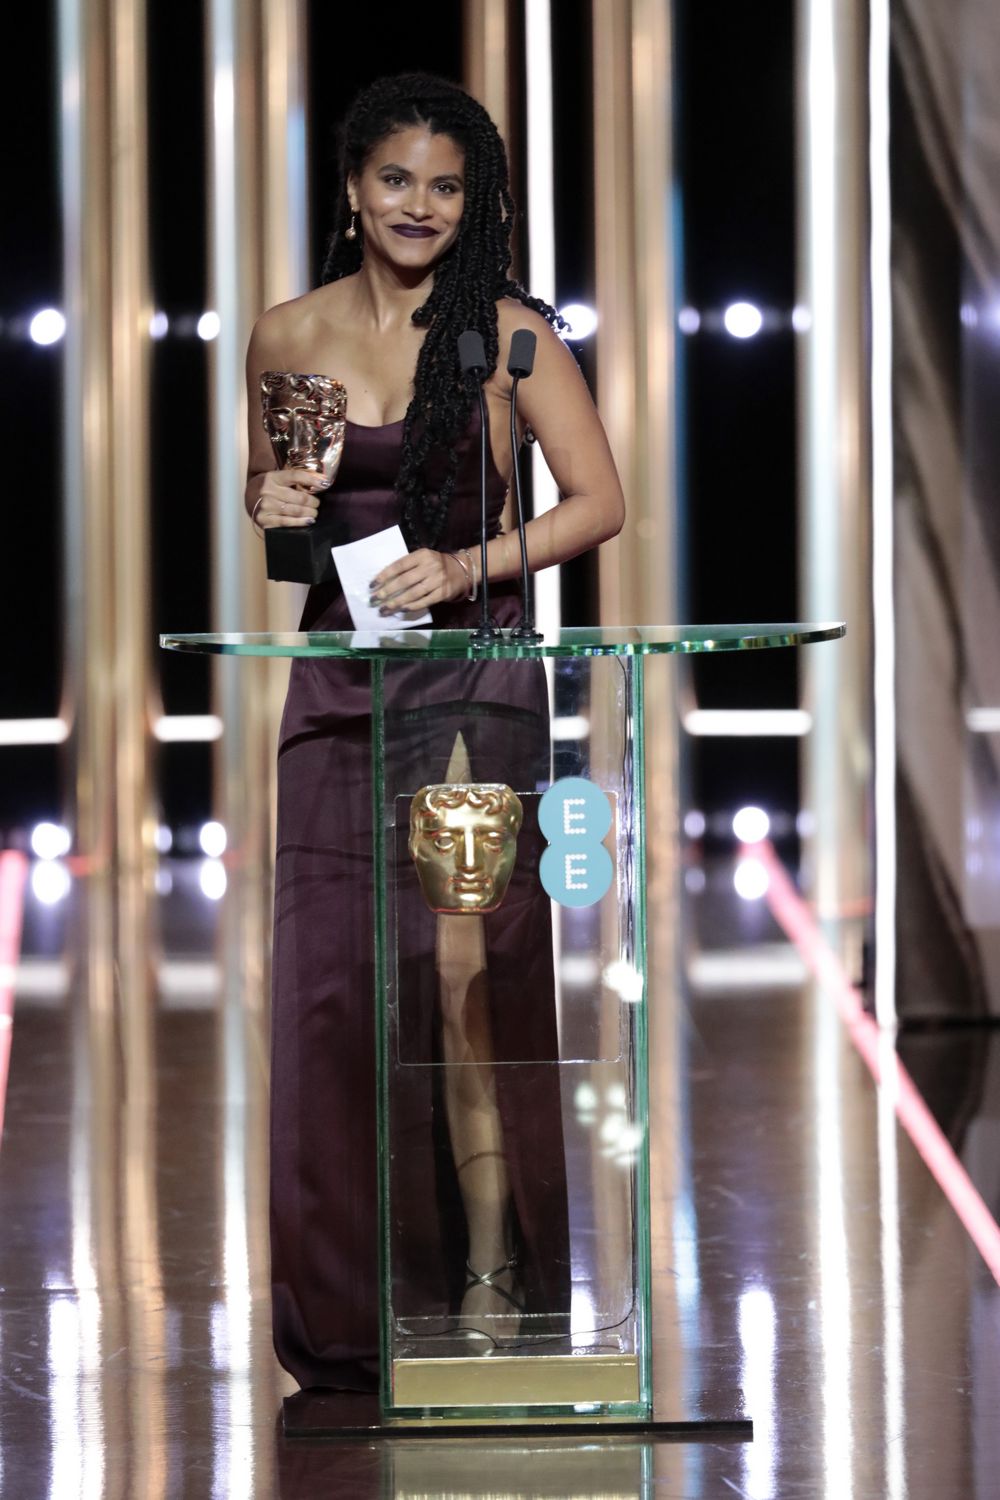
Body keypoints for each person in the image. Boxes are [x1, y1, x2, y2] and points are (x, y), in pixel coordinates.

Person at [244, 72, 625, 1393]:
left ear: (476, 204)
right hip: (336, 683)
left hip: (473, 679)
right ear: (354, 189)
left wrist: (467, 567)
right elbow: (289, 529)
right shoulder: (287, 331)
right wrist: (271, 501)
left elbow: (598, 502)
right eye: (397, 179)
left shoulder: (508, 336)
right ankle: (352, 1309)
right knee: (335, 988)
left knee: (462, 976)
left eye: (447, 186)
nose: (419, 204)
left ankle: (489, 1266)